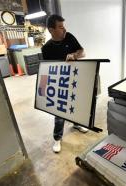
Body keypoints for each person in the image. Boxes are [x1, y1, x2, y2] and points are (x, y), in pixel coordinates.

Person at [41, 14, 88, 153]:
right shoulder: (46, 48)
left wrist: (74, 55)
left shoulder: (69, 37)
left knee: (74, 104)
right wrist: (43, 89)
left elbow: (82, 52)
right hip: (58, 83)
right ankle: (57, 138)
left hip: (74, 79)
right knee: (59, 112)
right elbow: (46, 70)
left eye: (63, 26)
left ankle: (77, 123)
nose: (64, 29)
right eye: (60, 27)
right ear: (51, 30)